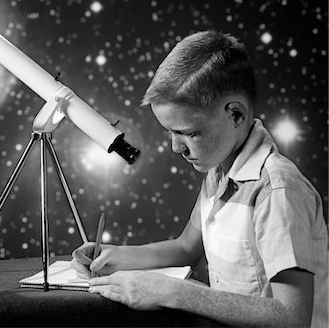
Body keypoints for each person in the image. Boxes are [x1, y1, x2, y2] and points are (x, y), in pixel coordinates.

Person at [71, 31, 328, 327]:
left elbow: (291, 317)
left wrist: (175, 293)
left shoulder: (277, 191)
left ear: (235, 115)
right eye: (170, 132)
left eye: (189, 133)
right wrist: (118, 257)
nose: (175, 147)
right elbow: (186, 248)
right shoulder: (219, 170)